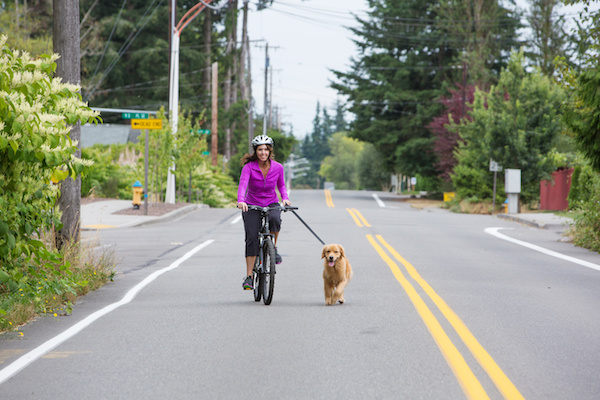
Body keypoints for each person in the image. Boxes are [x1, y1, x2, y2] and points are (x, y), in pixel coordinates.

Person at [237, 134, 291, 290]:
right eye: (260, 149)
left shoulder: (278, 167)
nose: (263, 153)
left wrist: (285, 198)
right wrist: (241, 200)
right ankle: (249, 276)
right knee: (252, 238)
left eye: (266, 150)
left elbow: (281, 186)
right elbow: (243, 185)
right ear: (256, 151)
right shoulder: (249, 167)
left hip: (271, 201)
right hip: (251, 204)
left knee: (275, 219)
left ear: (270, 151)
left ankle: (272, 246)